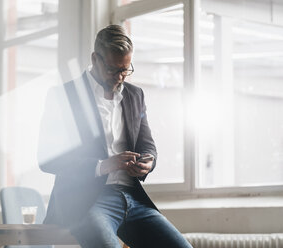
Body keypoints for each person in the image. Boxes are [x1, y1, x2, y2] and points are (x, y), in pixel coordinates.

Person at [38, 24, 192, 248]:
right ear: (95, 59)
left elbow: (147, 145)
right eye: (112, 69)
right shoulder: (64, 96)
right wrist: (102, 165)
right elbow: (47, 158)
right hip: (87, 201)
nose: (119, 77)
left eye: (126, 69)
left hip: (133, 199)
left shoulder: (134, 95)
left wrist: (147, 163)